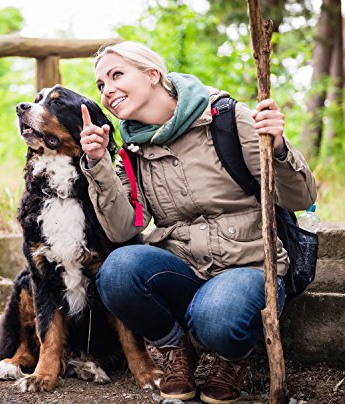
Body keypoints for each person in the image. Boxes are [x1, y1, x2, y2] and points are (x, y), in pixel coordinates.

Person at [79, 41, 316, 403]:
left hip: (248, 264)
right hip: (184, 267)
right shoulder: (130, 151)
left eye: (116, 75)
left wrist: (280, 148)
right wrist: (98, 166)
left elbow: (300, 198)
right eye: (100, 85)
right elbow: (124, 228)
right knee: (117, 270)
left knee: (217, 319)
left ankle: (231, 357)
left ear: (152, 74)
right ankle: (177, 351)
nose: (107, 90)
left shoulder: (226, 118)